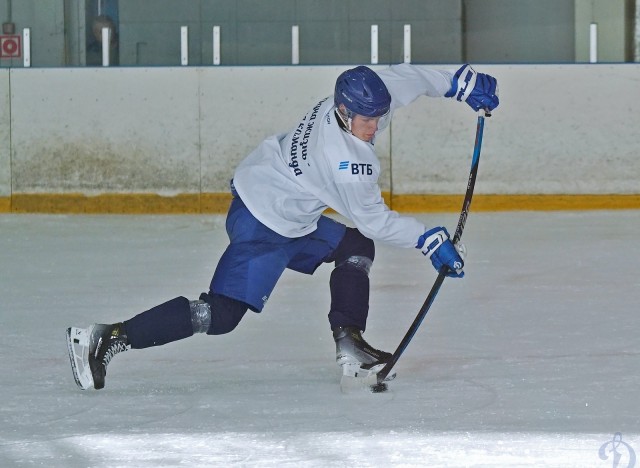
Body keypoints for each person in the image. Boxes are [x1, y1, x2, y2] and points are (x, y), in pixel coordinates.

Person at [66, 63, 499, 390]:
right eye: (364, 121)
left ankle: (349, 343)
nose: (372, 128)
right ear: (344, 111)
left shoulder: (365, 95)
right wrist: (429, 240)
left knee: (355, 247)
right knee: (220, 315)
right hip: (264, 219)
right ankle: (106, 339)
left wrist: (465, 84)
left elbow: (416, 79)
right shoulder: (348, 161)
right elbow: (374, 218)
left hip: (281, 199)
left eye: (378, 118)